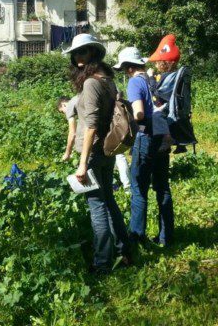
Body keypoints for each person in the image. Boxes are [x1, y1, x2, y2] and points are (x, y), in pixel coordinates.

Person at [63, 34, 131, 273]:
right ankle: (125, 251)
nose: (77, 58)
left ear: (92, 53)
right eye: (75, 54)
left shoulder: (92, 83)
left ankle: (102, 263)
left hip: (92, 153)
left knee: (97, 206)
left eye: (82, 52)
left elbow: (91, 125)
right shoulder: (108, 80)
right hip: (107, 151)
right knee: (109, 202)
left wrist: (82, 164)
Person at [115, 47, 174, 247]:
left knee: (139, 189)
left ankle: (137, 236)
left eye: (123, 68)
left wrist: (127, 109)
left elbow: (139, 113)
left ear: (128, 67)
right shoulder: (155, 80)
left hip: (145, 136)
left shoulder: (135, 82)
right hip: (163, 137)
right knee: (162, 187)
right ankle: (166, 237)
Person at [57, 96, 130, 190]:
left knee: (95, 192)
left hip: (96, 142)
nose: (65, 113)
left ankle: (122, 187)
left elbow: (72, 133)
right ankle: (126, 186)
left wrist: (67, 152)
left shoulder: (71, 104)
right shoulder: (82, 97)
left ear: (63, 104)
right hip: (112, 131)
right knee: (119, 157)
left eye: (63, 111)